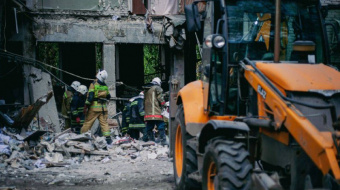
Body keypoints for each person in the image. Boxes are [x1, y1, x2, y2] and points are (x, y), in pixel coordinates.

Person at [80, 70, 112, 144]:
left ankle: (82, 136)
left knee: (88, 123)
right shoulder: (105, 86)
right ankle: (108, 139)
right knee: (104, 123)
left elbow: (90, 98)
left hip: (94, 108)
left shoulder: (93, 84)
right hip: (103, 108)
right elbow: (108, 96)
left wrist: (86, 106)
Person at [143, 77, 167, 145]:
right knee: (161, 125)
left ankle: (151, 140)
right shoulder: (157, 88)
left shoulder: (146, 89)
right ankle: (163, 140)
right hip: (156, 111)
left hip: (148, 113)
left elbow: (144, 101)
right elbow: (160, 98)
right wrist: (164, 104)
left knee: (149, 126)